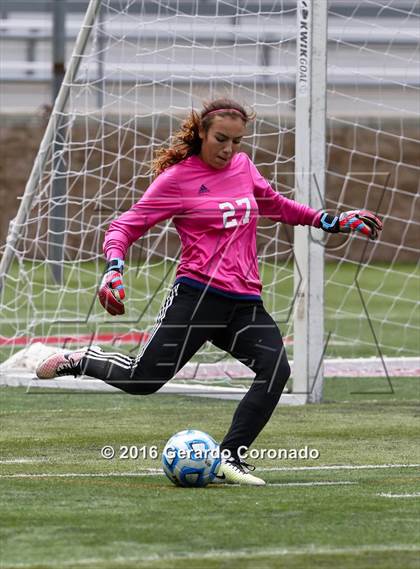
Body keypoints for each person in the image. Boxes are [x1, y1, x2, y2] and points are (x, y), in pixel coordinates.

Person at [36, 98, 382, 485]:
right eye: (221, 139)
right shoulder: (178, 179)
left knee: (276, 369)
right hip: (198, 296)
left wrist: (330, 220)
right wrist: (113, 268)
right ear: (201, 133)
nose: (229, 149)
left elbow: (275, 205)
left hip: (244, 302)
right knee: (143, 381)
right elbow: (123, 227)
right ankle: (81, 359)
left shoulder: (243, 166)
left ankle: (230, 458)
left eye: (236, 140)